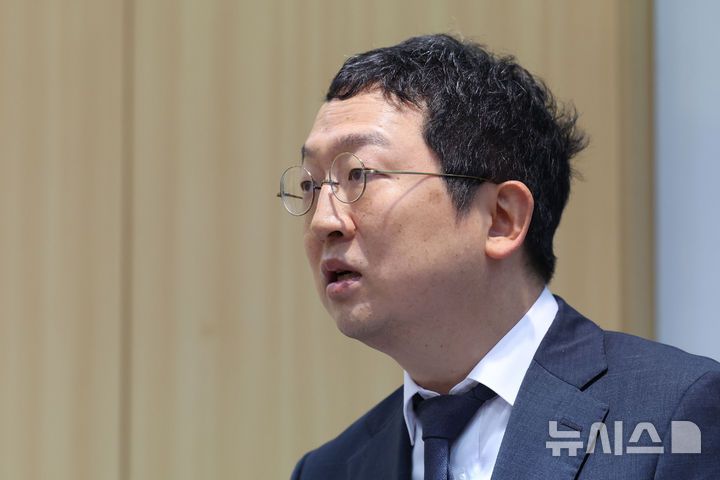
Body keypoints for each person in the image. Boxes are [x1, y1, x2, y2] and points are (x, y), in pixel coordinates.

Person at [279, 34, 720, 479]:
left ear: (501, 219)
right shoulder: (327, 470)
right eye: (310, 185)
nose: (322, 221)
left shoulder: (676, 413)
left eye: (359, 174)